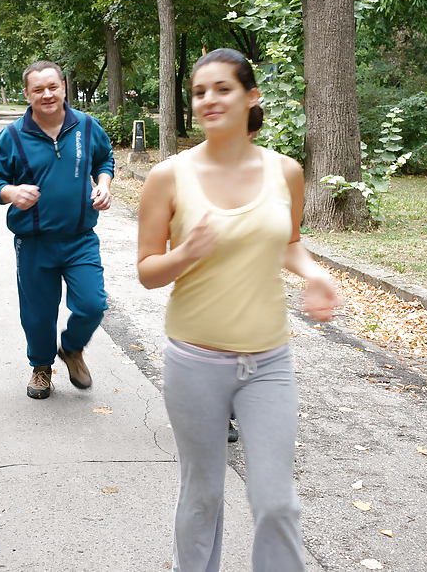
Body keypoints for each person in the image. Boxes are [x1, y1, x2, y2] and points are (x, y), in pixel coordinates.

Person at [136, 48, 340, 571]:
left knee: (276, 502)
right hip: (195, 361)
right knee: (202, 497)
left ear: (251, 97)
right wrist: (187, 253)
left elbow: (289, 241)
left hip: (268, 361)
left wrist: (314, 273)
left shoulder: (286, 172)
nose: (208, 100)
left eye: (222, 89)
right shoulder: (168, 176)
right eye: (199, 91)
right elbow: (147, 271)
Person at [0, 60, 115, 399]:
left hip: (80, 238)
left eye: (53, 86)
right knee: (38, 314)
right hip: (34, 241)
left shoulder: (86, 126)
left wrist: (104, 184)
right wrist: (11, 193)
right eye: (38, 89)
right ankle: (41, 368)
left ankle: (71, 348)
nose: (47, 94)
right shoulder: (12, 136)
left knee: (93, 304)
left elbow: (104, 159)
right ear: (26, 94)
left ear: (64, 87)